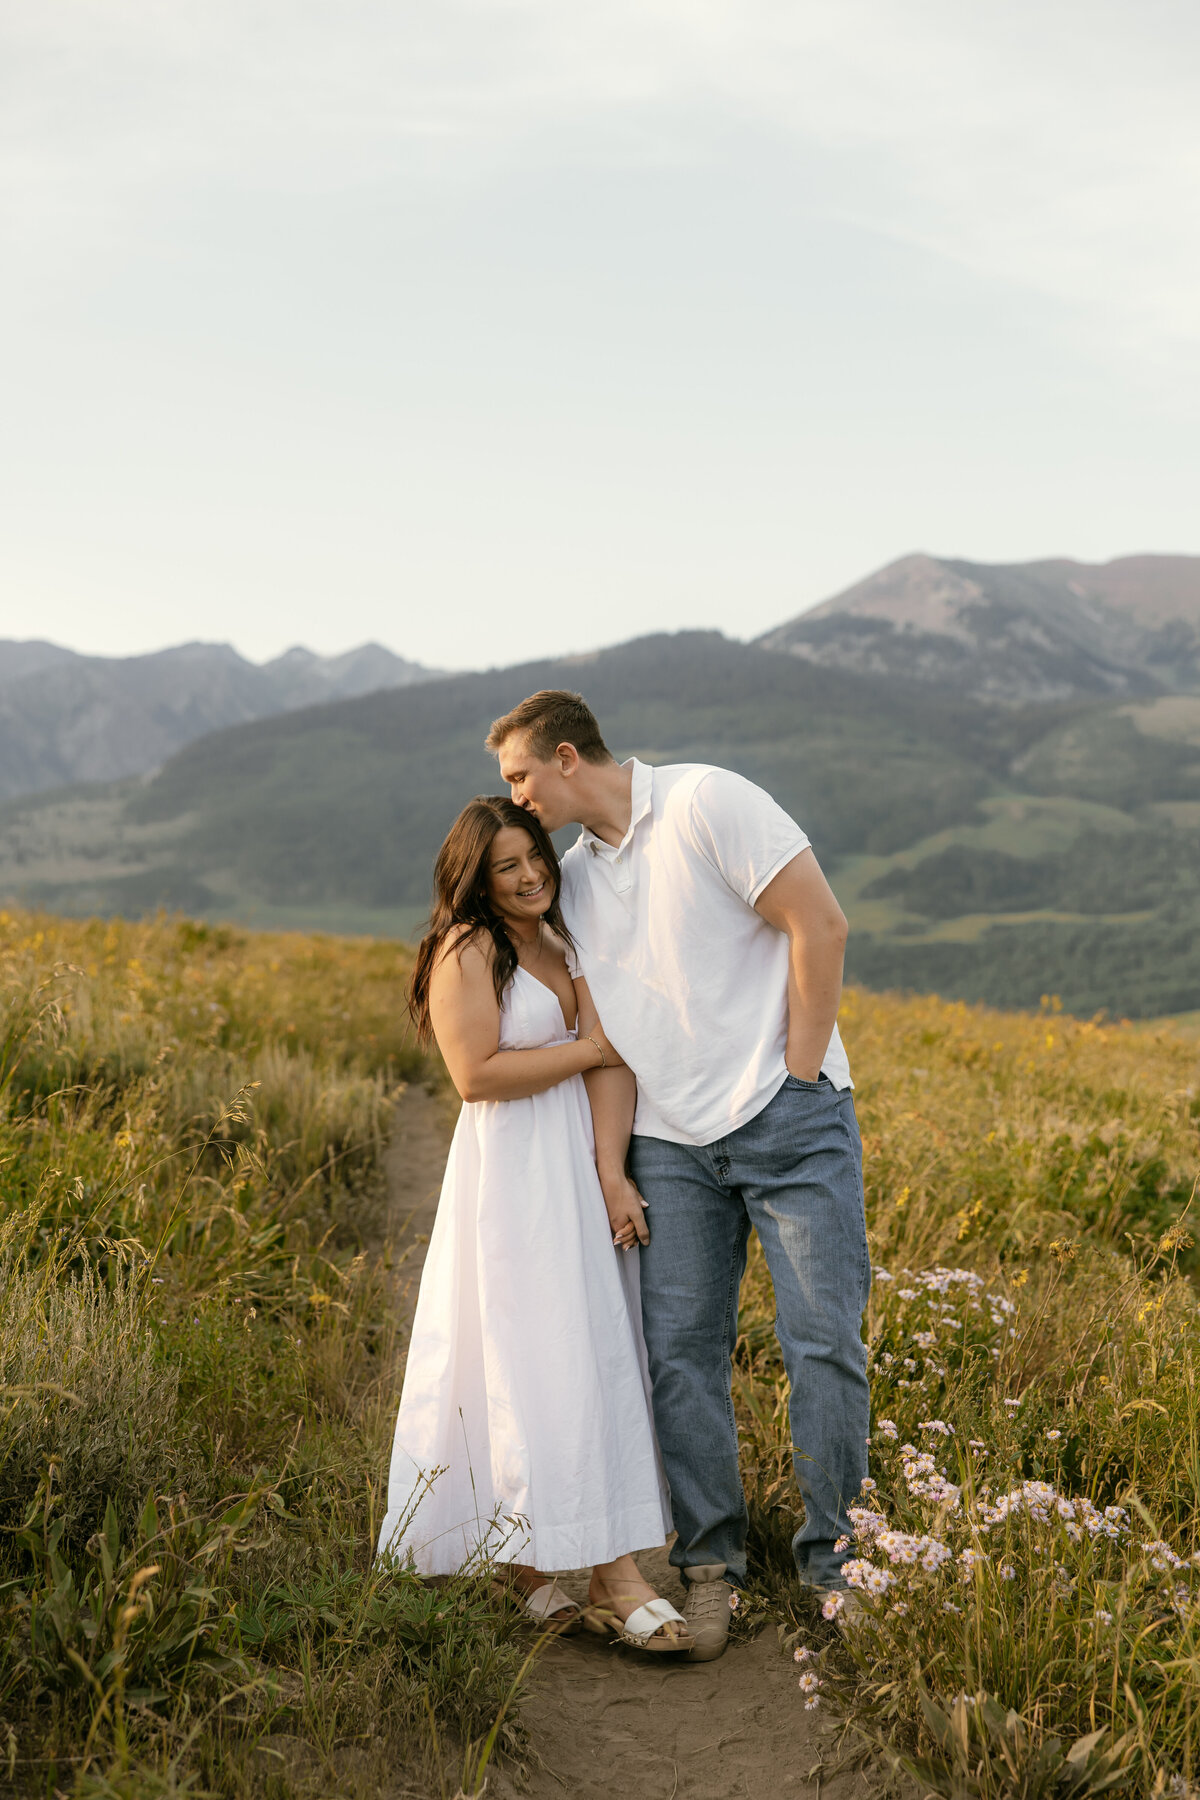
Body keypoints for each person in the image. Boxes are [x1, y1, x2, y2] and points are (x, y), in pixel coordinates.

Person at [487, 692, 870, 1662]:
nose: (516, 797)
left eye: (520, 777)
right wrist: (614, 1164)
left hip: (789, 1121)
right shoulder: (569, 878)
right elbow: (603, 1036)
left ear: (566, 758)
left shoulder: (707, 803)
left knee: (821, 1344)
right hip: (672, 1149)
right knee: (679, 1359)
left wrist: (797, 1071)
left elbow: (818, 924)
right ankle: (711, 1569)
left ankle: (836, 1569)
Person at [376, 796, 693, 1653]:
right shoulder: (466, 949)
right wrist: (591, 1048)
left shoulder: (562, 944)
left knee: (593, 1348)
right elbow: (477, 1074)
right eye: (505, 866)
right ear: (474, 878)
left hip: (576, 1170)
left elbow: (615, 1066)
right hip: (512, 1174)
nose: (528, 876)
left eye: (534, 858)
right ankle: (611, 1575)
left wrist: (613, 1172)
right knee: (530, 1353)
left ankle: (539, 1559)